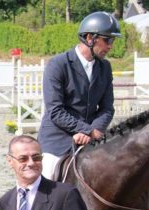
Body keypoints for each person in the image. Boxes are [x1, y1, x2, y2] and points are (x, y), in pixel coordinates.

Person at [39, 11, 120, 179]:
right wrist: (88, 130)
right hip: (58, 138)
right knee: (46, 178)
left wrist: (94, 131)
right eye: (108, 40)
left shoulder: (105, 67)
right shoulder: (58, 64)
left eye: (112, 41)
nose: (111, 46)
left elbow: (107, 109)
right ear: (90, 38)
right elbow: (55, 110)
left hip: (91, 138)